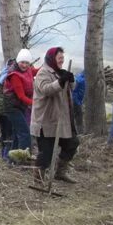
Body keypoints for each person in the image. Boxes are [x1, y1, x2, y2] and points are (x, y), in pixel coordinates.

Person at [30, 46, 78, 184]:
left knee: (72, 143)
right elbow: (46, 89)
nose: (62, 61)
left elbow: (69, 90)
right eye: (59, 58)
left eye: (63, 58)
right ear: (52, 58)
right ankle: (38, 178)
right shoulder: (43, 73)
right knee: (46, 153)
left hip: (60, 121)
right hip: (45, 121)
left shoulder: (59, 72)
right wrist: (61, 81)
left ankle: (60, 172)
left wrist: (70, 80)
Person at [3, 49, 38, 156]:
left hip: (20, 106)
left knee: (17, 133)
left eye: (27, 63)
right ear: (18, 61)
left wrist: (47, 65)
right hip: (12, 107)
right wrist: (36, 103)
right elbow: (21, 96)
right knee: (24, 133)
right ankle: (23, 157)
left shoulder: (27, 70)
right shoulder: (14, 75)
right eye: (22, 62)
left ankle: (12, 159)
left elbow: (35, 71)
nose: (24, 65)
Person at [0, 59, 15, 160]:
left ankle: (3, 153)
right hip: (5, 108)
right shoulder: (9, 76)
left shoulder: (2, 74)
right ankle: (6, 155)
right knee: (8, 131)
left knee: (4, 131)